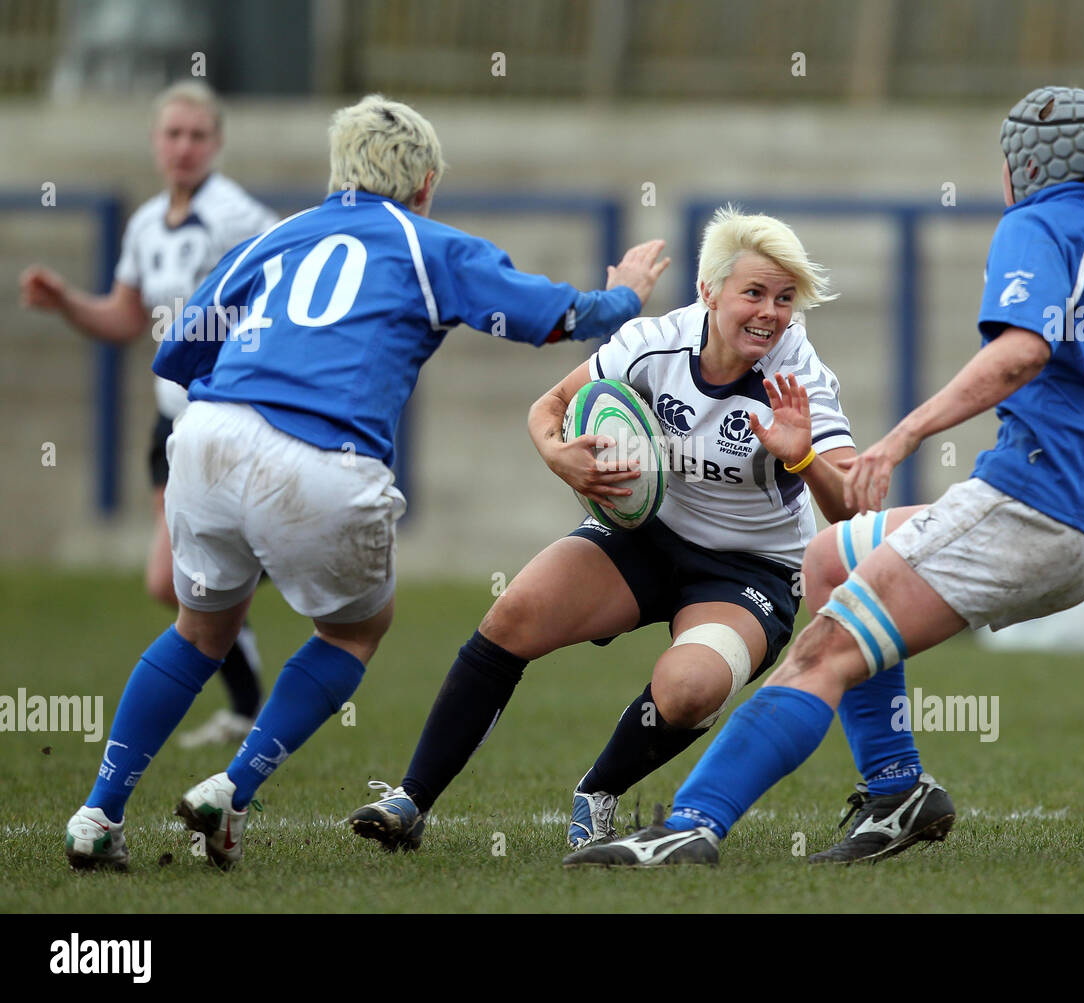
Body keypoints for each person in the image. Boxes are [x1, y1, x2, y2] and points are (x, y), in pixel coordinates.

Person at [563, 85, 1084, 868]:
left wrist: (898, 439)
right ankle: (897, 787)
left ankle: (689, 825)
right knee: (831, 557)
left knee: (822, 651)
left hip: (1029, 506)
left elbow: (1021, 352)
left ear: (1022, 164)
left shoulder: (1035, 222)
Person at [61, 93, 669, 871]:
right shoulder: (424, 243)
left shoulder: (278, 235)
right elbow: (554, 316)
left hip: (210, 434)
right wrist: (624, 293)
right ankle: (231, 788)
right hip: (320, 456)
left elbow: (176, 349)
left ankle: (97, 813)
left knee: (198, 631)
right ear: (423, 185)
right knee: (353, 631)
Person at [345, 205, 954, 863]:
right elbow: (547, 407)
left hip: (749, 569)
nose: (770, 313)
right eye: (753, 293)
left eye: (784, 299)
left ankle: (600, 789)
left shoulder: (795, 371)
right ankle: (410, 800)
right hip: (643, 536)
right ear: (708, 291)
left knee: (689, 688)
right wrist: (559, 455)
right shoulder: (653, 342)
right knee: (513, 615)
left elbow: (848, 515)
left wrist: (803, 457)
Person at [20, 80, 275, 747]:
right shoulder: (143, 224)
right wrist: (67, 301)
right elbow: (126, 316)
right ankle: (249, 702)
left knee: (178, 577)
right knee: (175, 583)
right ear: (157, 142)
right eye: (173, 134)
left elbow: (285, 303)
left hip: (229, 420)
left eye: (197, 135)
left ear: (217, 143)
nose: (184, 147)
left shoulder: (240, 219)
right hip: (173, 423)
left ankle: (253, 686)